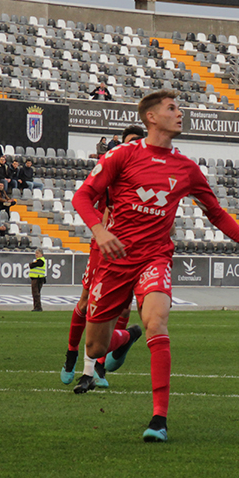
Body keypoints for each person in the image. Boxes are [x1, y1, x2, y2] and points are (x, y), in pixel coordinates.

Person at [71, 90, 239, 443]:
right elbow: (82, 196)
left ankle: (159, 418)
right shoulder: (122, 156)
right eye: (172, 108)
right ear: (151, 117)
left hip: (156, 257)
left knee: (157, 321)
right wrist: (100, 230)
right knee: (94, 349)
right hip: (116, 260)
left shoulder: (186, 168)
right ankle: (123, 338)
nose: (180, 113)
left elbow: (216, 213)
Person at [60, 124, 145, 388]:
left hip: (134, 248)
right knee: (87, 303)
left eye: (137, 143)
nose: (132, 148)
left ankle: (98, 368)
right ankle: (71, 355)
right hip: (103, 245)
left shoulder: (148, 175)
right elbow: (87, 200)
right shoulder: (110, 169)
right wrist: (102, 228)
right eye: (128, 142)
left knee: (120, 307)